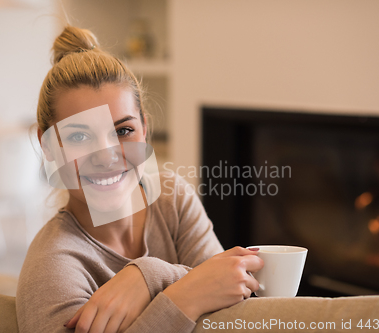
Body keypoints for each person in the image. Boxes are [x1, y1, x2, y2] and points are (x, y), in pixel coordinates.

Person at [16, 25, 263, 333]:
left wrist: (151, 274)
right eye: (79, 135)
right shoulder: (53, 266)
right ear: (49, 145)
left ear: (144, 130)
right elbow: (211, 282)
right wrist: (183, 297)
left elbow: (234, 306)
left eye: (123, 131)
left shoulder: (172, 198)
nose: (107, 156)